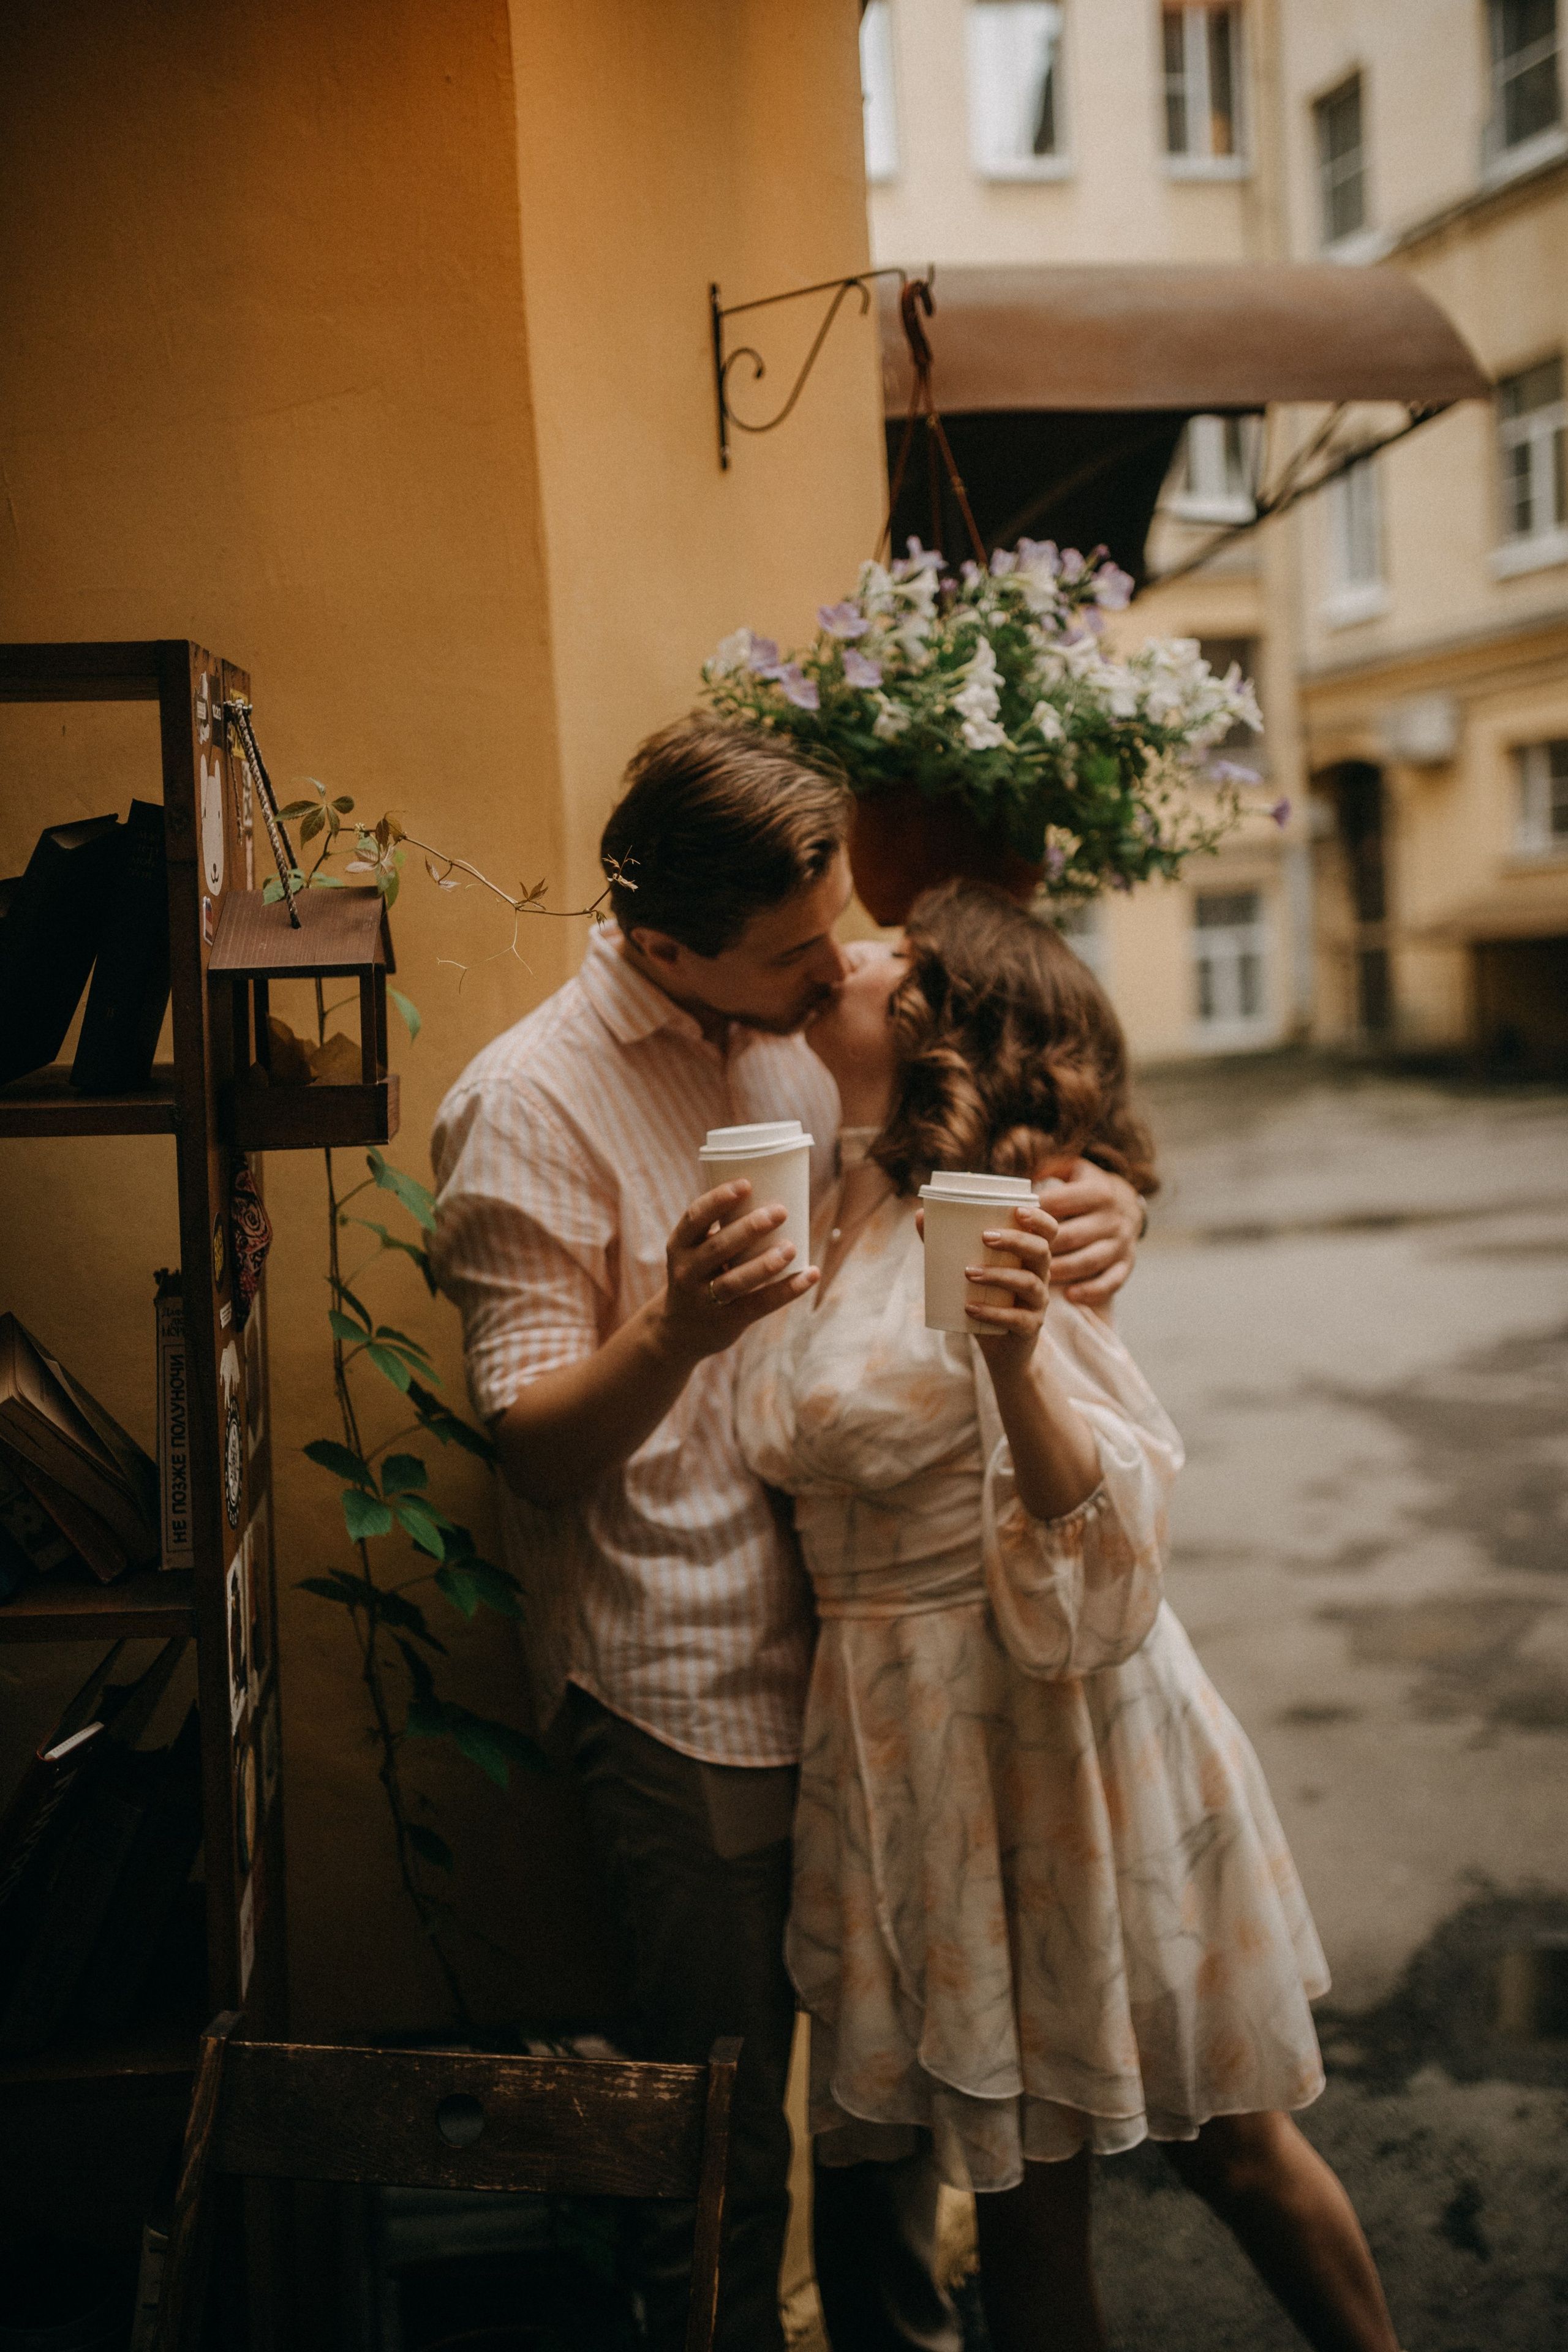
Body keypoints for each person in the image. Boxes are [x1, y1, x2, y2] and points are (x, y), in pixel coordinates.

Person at [429, 718, 1148, 2352]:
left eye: (837, 930)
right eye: (794, 953)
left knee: (887, 2105)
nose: (838, 970)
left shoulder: (796, 1032)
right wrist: (673, 1329)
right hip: (682, 1680)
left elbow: (970, 1162)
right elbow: (533, 1453)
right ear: (664, 947)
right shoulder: (526, 1104)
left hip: (876, 1662)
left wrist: (1112, 1199)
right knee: (725, 2140)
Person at [733, 880, 1402, 2352]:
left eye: (888, 952)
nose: (848, 953)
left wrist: (1018, 1357)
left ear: (940, 1022)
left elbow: (1102, 1515)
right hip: (899, 1740)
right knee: (1021, 2185)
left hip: (1049, 1725)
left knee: (1226, 2142)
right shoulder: (832, 1182)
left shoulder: (1010, 1205)